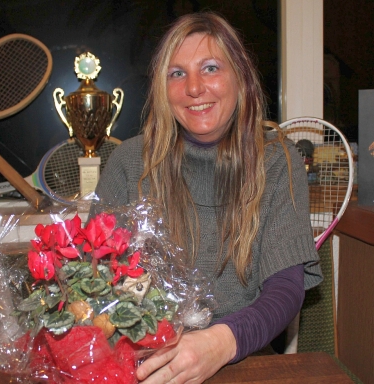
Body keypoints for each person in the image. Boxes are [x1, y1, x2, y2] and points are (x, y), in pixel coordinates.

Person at [94, 11, 322, 384]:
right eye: (177, 73)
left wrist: (219, 343)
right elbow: (96, 284)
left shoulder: (278, 161)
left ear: (241, 77)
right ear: (162, 89)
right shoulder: (129, 162)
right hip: (138, 361)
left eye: (211, 68)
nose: (195, 88)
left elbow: (285, 290)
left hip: (241, 356)